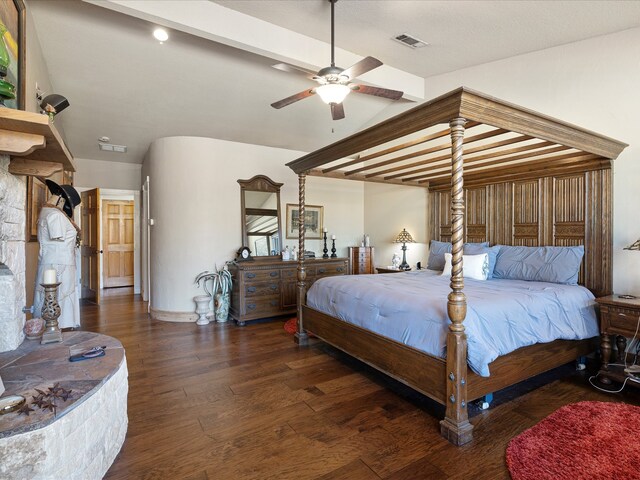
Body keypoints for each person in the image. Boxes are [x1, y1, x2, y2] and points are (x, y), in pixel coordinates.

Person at [33, 180, 82, 329]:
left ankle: (54, 326)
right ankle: (58, 326)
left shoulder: (47, 212)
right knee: (59, 296)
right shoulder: (55, 215)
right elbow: (57, 236)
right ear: (62, 199)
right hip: (59, 264)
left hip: (54, 261)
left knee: (52, 297)